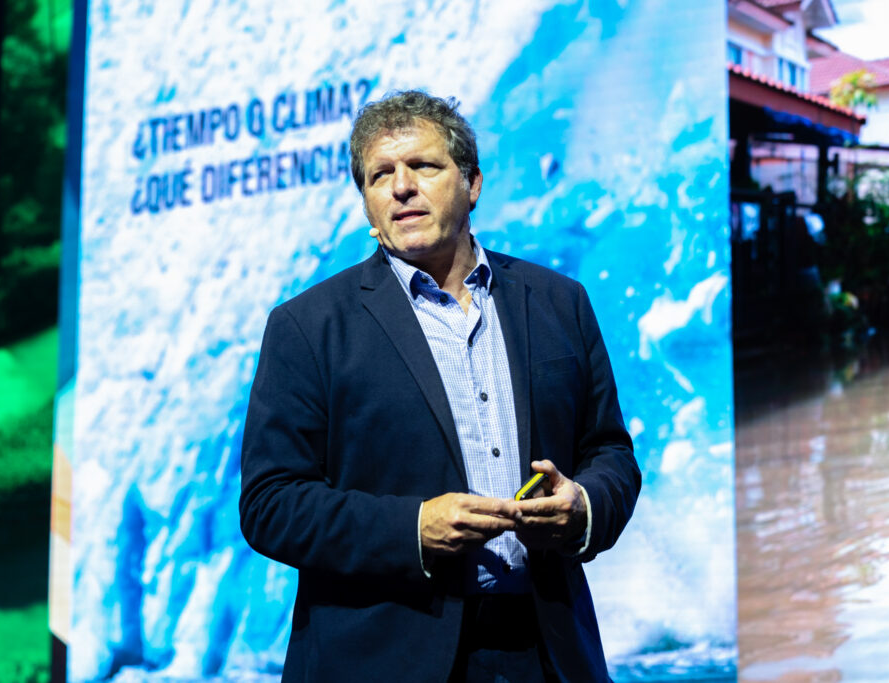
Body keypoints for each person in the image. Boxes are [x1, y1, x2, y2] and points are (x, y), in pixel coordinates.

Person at [239, 90, 640, 682]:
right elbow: (270, 503)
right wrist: (412, 530)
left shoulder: (559, 302)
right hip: (382, 659)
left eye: (423, 166)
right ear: (368, 204)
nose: (401, 187)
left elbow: (610, 454)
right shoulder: (307, 326)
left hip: (548, 653)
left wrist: (582, 508)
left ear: (472, 184)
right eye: (380, 175)